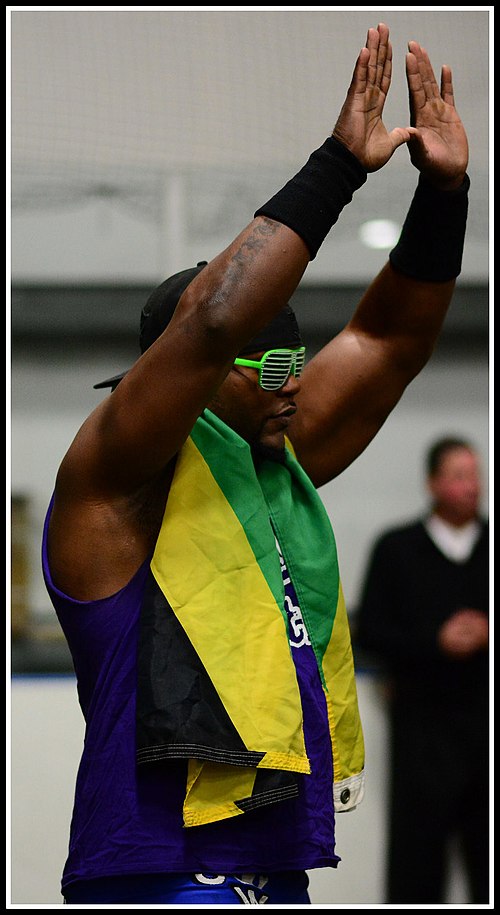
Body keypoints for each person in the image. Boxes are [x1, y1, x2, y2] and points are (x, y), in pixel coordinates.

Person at [42, 23, 471, 905]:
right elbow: (212, 326)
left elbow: (389, 341)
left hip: (275, 868)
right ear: (189, 385)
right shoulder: (114, 486)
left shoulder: (271, 466)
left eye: (299, 369)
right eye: (274, 368)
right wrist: (338, 168)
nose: (295, 389)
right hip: (160, 872)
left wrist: (446, 191)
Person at [355, 437, 489, 904]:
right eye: (458, 476)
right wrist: (436, 641)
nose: (471, 487)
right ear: (432, 483)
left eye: (475, 475)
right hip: (421, 735)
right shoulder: (397, 549)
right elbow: (369, 631)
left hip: (485, 730)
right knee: (416, 868)